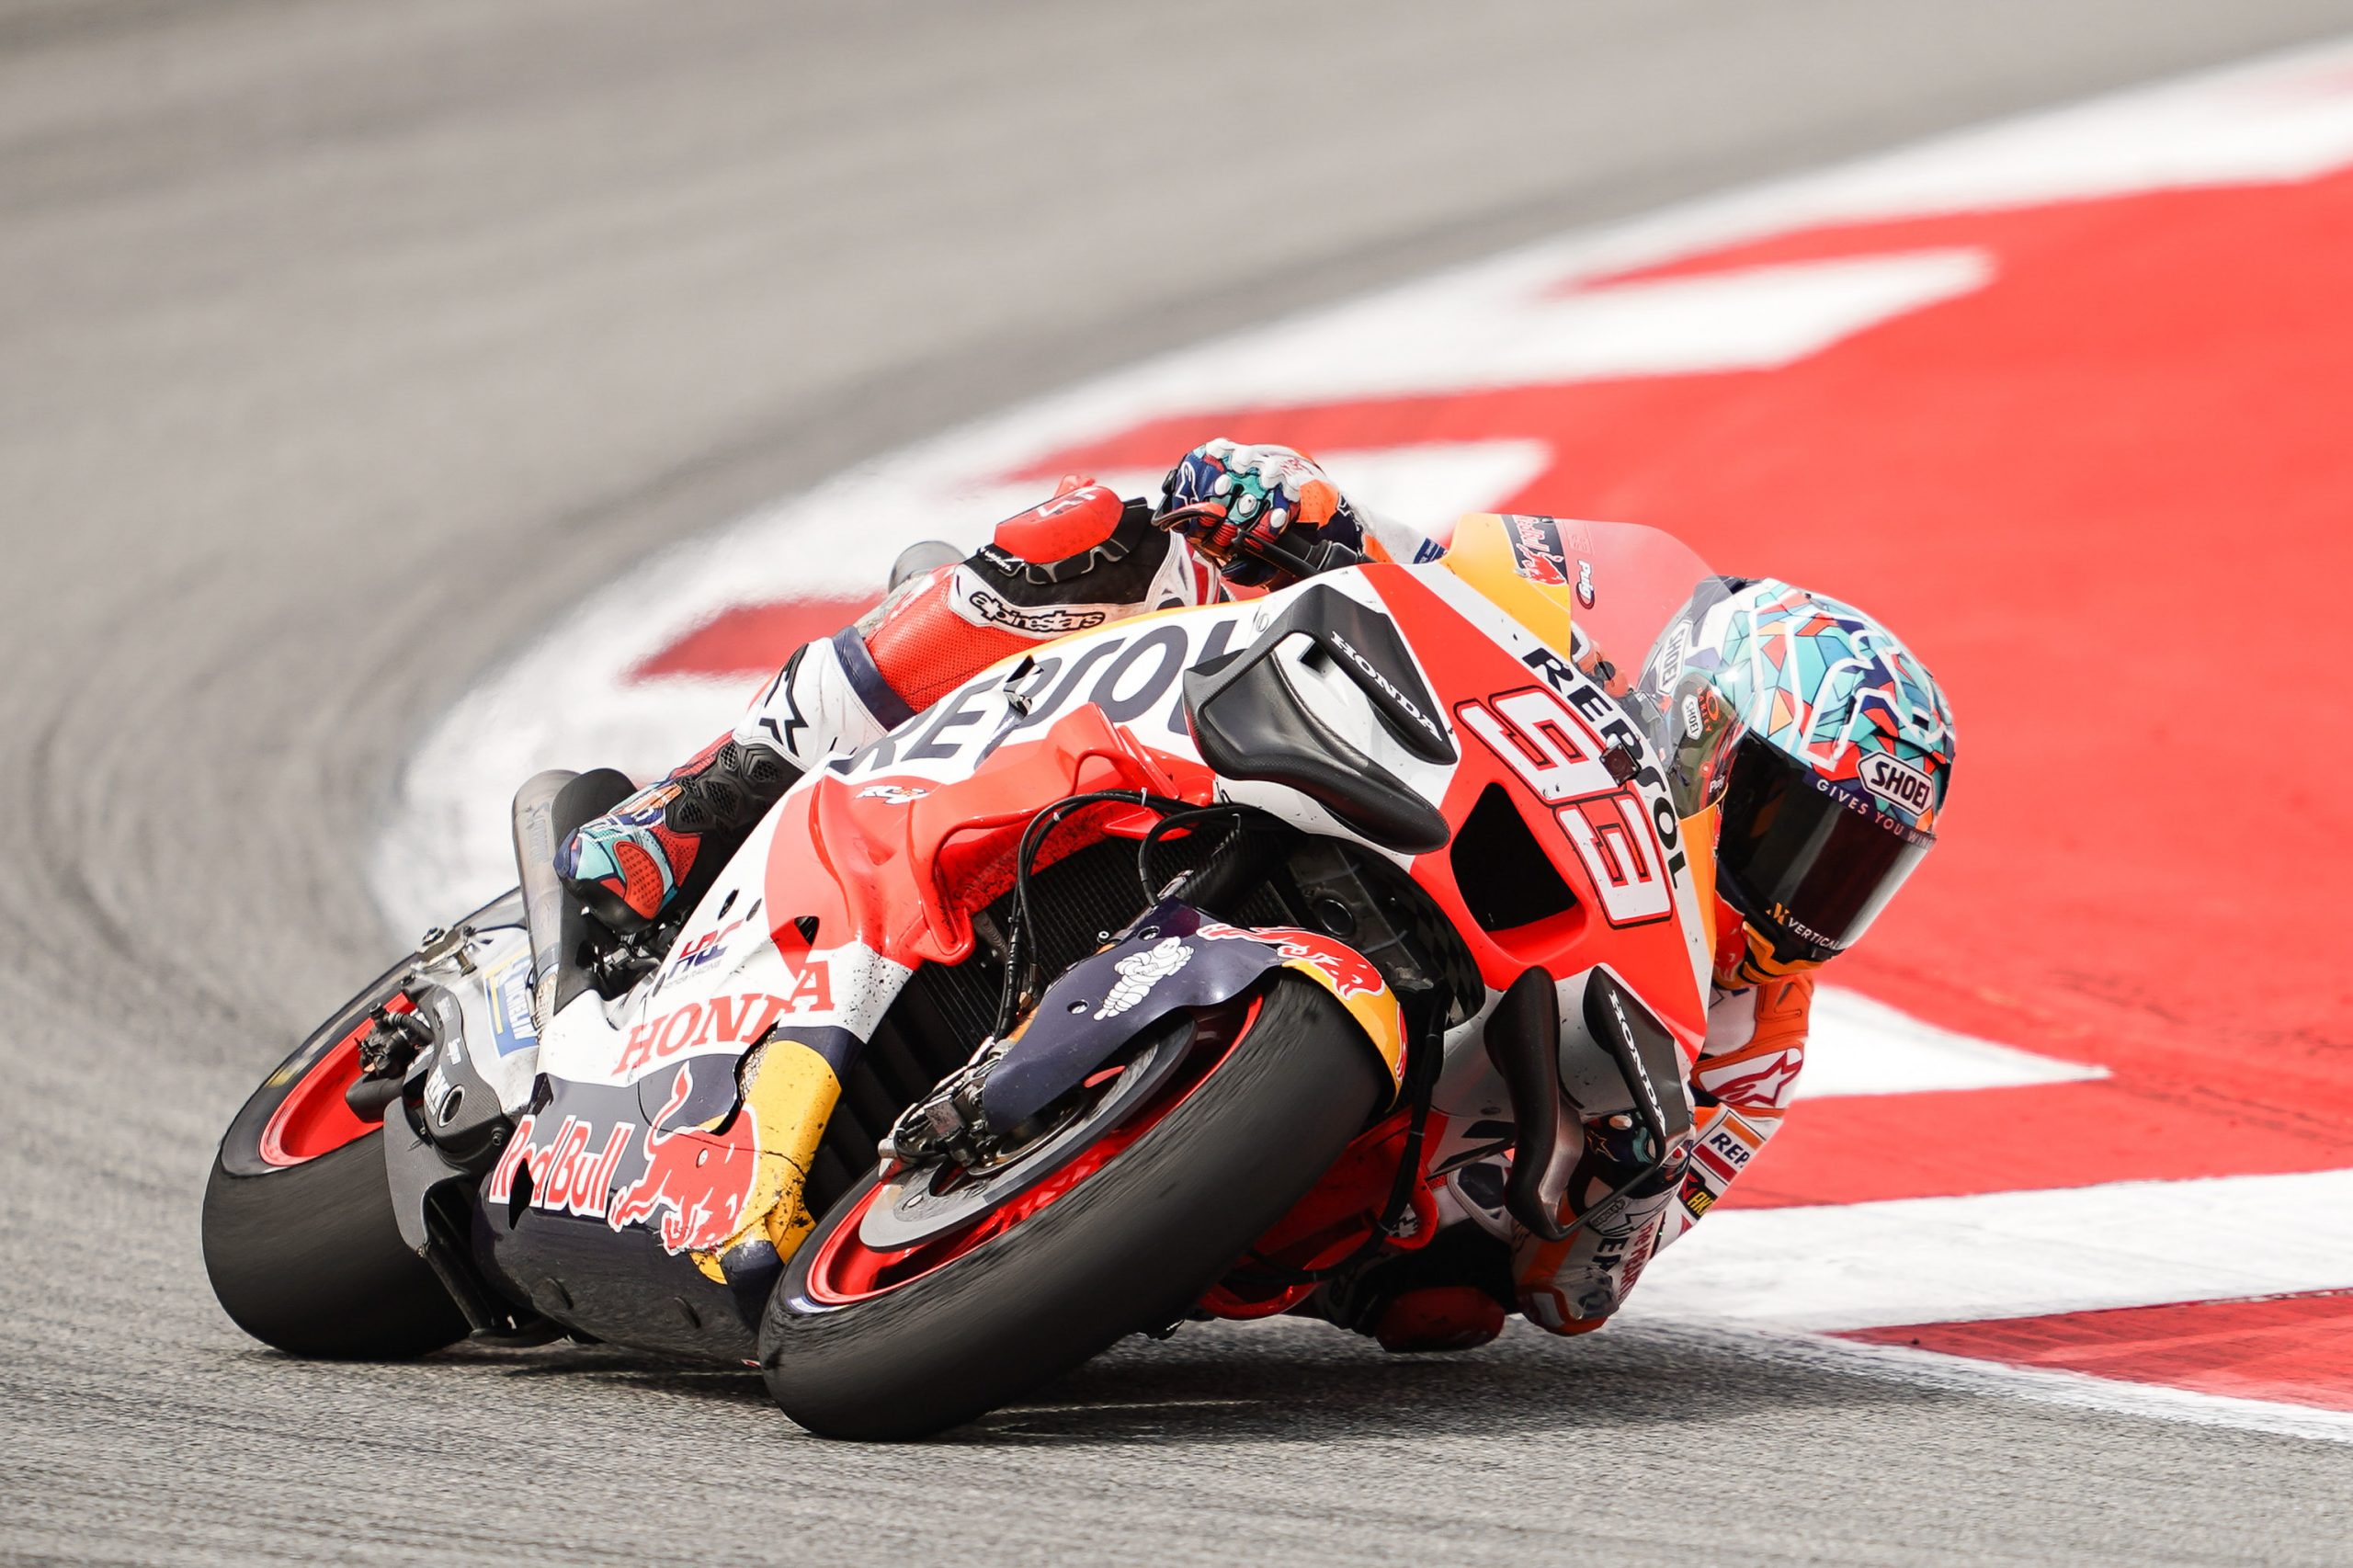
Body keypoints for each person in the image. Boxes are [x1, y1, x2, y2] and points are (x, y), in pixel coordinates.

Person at [555, 439, 1957, 1352]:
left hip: (1379, 1137)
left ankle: (1107, 1204)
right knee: (1092, 532)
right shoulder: (1580, 599)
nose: (1809, 897)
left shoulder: (1756, 1044)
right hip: (1328, 785)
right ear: (1707, 732)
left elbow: (1580, 1295)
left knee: (1448, 1313)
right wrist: (1302, 505)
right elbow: (1421, 573)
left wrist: (1619, 1200)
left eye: (1856, 870)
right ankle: (695, 808)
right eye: (1794, 829)